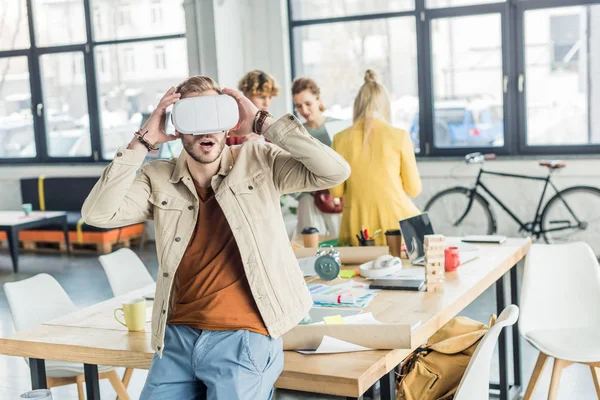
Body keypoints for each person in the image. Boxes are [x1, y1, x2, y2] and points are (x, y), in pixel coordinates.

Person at [82, 76, 350, 399]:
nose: (206, 131)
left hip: (244, 337)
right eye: (193, 119)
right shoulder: (159, 178)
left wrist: (263, 123)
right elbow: (97, 213)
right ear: (177, 127)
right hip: (177, 340)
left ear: (227, 124)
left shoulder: (258, 161)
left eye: (214, 118)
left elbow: (334, 171)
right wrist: (143, 140)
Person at [329, 70, 422, 247]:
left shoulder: (340, 139)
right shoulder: (399, 136)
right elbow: (414, 189)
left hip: (358, 232)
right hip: (398, 231)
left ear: (357, 105)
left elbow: (336, 192)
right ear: (385, 105)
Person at [291, 77, 342, 237]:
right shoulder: (297, 133)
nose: (304, 111)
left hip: (338, 197)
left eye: (308, 104)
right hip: (310, 198)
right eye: (298, 106)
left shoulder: (340, 127)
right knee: (310, 246)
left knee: (342, 243)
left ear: (319, 100)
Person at [227, 70, 280, 146]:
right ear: (246, 94)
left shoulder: (270, 126)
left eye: (270, 97)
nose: (267, 103)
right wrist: (241, 148)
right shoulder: (230, 127)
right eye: (261, 97)